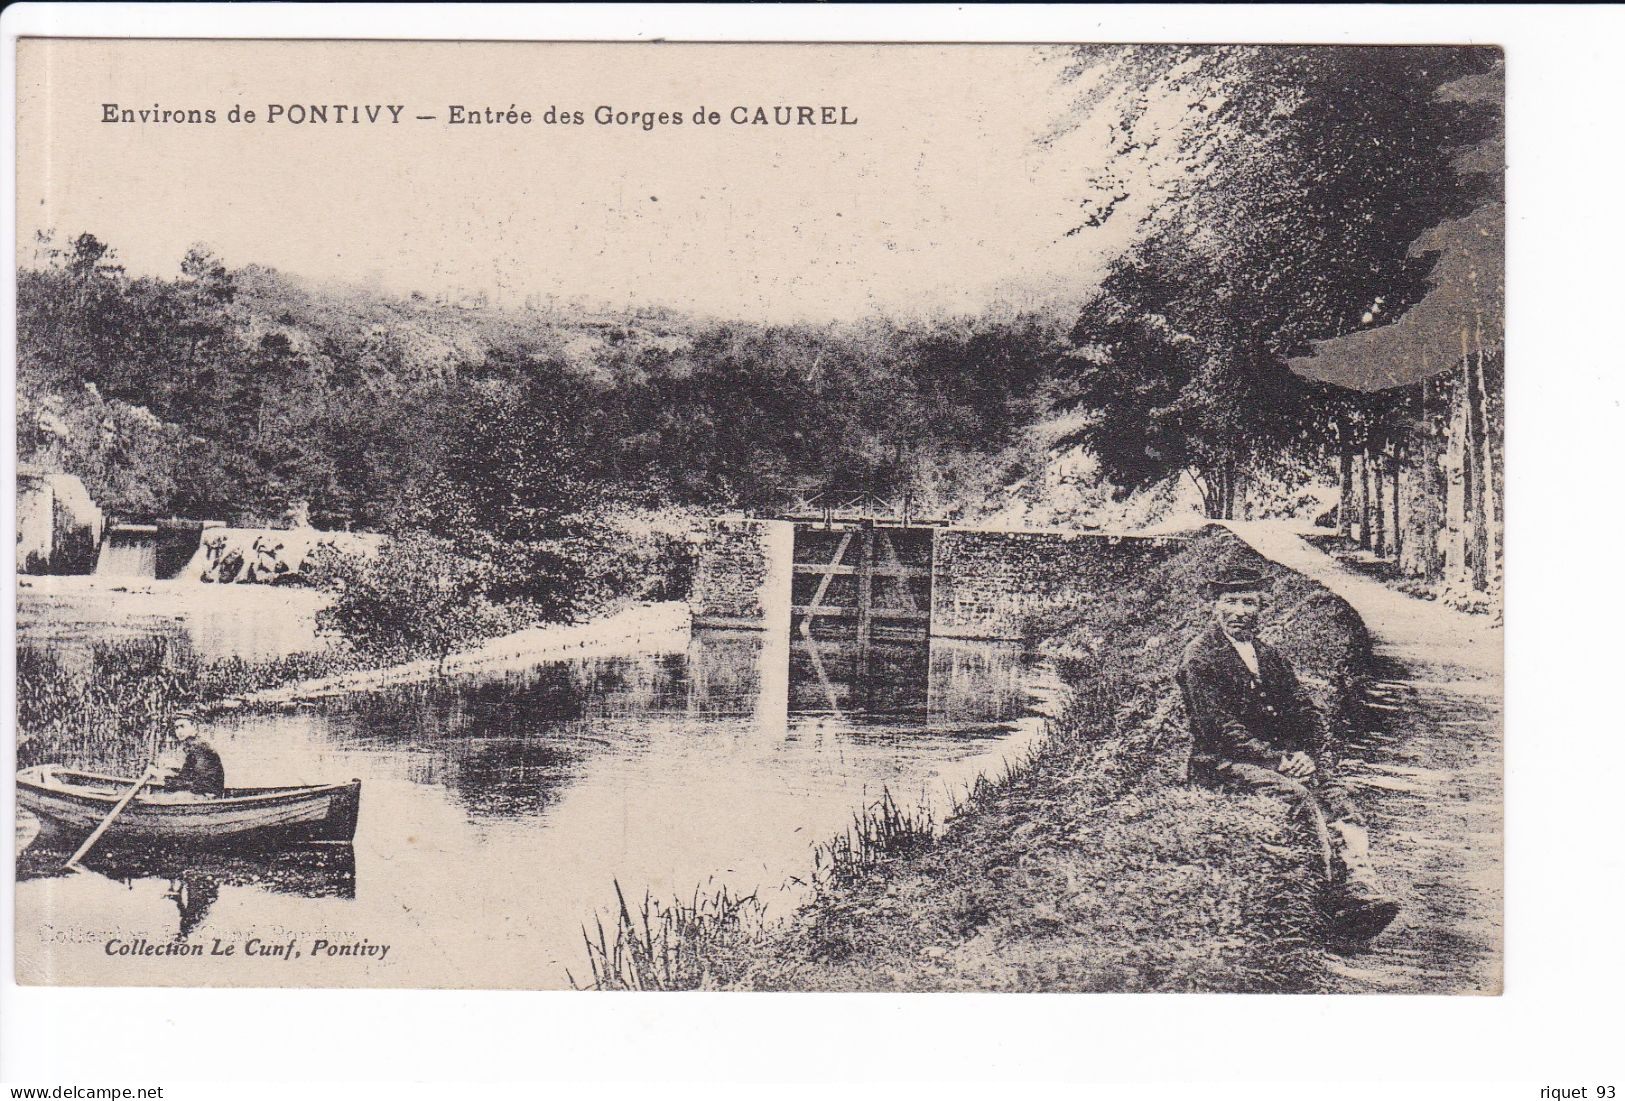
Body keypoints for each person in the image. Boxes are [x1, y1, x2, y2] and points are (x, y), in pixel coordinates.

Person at [1175, 565, 1400, 941]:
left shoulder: (1269, 655)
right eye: (1231, 601)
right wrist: (1279, 760)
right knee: (1295, 798)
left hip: (1276, 757)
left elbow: (1302, 708)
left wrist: (1305, 752)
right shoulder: (1199, 657)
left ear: (1261, 607)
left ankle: (1362, 887)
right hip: (1221, 763)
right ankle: (1329, 900)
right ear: (1214, 606)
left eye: (1249, 602)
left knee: (1333, 794)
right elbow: (1219, 729)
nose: (1241, 611)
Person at [162, 715, 227, 798]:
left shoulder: (201, 747)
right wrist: (169, 777)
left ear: (194, 727)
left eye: (182, 726)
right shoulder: (192, 747)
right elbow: (186, 776)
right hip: (200, 792)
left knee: (171, 798)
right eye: (176, 728)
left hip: (209, 795)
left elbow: (202, 782)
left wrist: (169, 782)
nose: (179, 731)